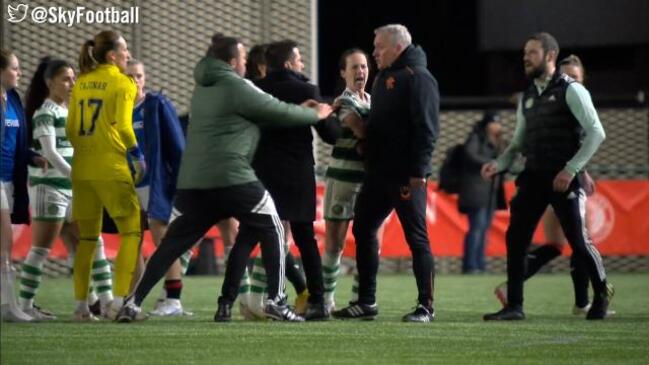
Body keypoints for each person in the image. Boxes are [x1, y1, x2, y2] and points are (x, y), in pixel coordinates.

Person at [116, 33, 332, 323]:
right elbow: (276, 111)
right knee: (274, 228)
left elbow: (253, 116)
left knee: (173, 243)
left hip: (196, 182)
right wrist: (316, 114)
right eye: (243, 58)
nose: (246, 63)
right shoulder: (236, 85)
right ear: (232, 62)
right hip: (231, 175)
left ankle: (133, 302)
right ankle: (277, 301)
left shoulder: (203, 87)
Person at [482, 33, 612, 321]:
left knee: (577, 241)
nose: (525, 57)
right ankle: (514, 306)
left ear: (550, 56)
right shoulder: (527, 96)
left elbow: (596, 133)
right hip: (534, 177)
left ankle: (601, 292)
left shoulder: (572, 90)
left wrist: (571, 169)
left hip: (564, 178)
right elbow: (517, 144)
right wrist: (499, 164)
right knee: (516, 238)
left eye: (532, 52)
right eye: (525, 52)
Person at [332, 24, 440, 322]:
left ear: (397, 47)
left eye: (379, 47)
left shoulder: (419, 78)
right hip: (379, 172)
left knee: (416, 238)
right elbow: (383, 125)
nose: (375, 52)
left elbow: (427, 129)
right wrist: (366, 141)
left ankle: (426, 307)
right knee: (363, 227)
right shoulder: (385, 78)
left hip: (406, 175)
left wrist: (419, 169)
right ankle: (366, 301)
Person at [240, 39, 339, 321]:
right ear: (288, 63)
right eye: (299, 59)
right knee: (305, 237)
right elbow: (330, 134)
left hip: (263, 171)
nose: (302, 64)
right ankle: (317, 301)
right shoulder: (306, 89)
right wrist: (332, 111)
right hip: (297, 172)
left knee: (254, 235)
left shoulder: (255, 89)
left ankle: (238, 301)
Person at [66, 30, 145, 321]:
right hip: (110, 167)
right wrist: (137, 156)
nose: (128, 55)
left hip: (82, 168)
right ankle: (119, 302)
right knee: (132, 232)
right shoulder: (122, 83)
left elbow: (71, 129)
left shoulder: (82, 81)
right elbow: (125, 127)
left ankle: (80, 308)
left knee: (87, 238)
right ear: (112, 55)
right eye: (124, 50)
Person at [124, 59, 187, 316]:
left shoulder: (156, 104)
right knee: (133, 242)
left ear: (145, 78)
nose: (135, 80)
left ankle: (173, 298)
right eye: (130, 76)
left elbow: (177, 143)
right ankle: (132, 297)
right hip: (127, 183)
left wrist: (179, 179)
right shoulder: (119, 108)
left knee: (163, 239)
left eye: (139, 75)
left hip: (154, 182)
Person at [321, 48, 371, 314]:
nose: (360, 71)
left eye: (363, 66)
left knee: (368, 242)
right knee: (335, 243)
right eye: (354, 67)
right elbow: (361, 130)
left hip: (368, 182)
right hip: (343, 180)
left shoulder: (372, 101)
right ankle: (327, 299)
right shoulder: (344, 102)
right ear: (343, 73)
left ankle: (359, 299)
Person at [1, 49, 47, 322]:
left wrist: (31, 156)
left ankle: (9, 305)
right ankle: (9, 307)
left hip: (9, 179)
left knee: (4, 245)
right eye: (14, 68)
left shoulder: (14, 99)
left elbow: (16, 142)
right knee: (5, 243)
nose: (19, 73)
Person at [458, 112, 506, 274]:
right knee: (477, 228)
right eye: (495, 123)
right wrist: (489, 163)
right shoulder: (476, 137)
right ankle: (470, 265)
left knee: (484, 229)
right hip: (476, 190)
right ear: (487, 125)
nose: (498, 126)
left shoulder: (498, 142)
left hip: (490, 193)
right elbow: (469, 154)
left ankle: (479, 264)